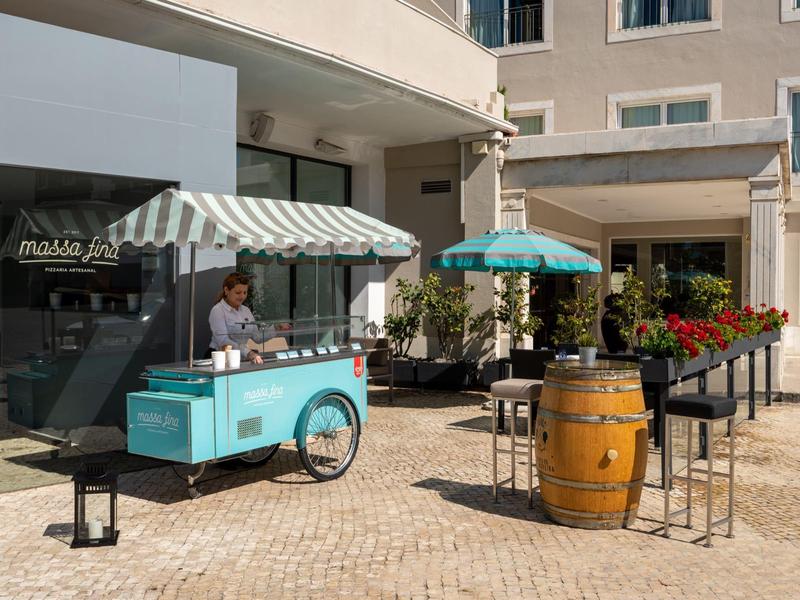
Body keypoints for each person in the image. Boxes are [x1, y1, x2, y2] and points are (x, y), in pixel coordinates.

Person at [207, 272, 289, 364]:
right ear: (226, 290)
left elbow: (257, 336)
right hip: (221, 360)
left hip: (242, 359)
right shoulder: (218, 310)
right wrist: (248, 353)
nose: (242, 296)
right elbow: (223, 341)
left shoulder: (246, 310)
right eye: (238, 292)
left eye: (245, 292)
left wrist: (276, 328)